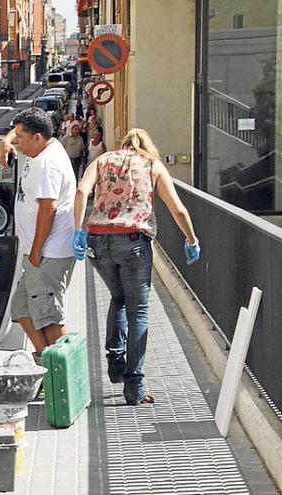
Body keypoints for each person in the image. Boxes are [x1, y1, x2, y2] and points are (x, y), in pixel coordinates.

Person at [72, 128, 200, 406]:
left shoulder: (103, 160)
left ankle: (115, 359)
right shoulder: (152, 164)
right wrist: (191, 239)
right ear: (146, 146)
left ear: (122, 144)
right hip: (132, 242)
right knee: (138, 312)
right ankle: (134, 386)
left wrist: (77, 230)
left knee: (118, 298)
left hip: (98, 239)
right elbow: (177, 209)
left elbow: (82, 190)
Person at [0, 108, 77, 365]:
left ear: (38, 137)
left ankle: (63, 375)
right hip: (39, 253)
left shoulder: (47, 163)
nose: (16, 141)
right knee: (22, 308)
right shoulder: (43, 147)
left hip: (46, 253)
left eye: (20, 137)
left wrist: (35, 251)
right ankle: (47, 367)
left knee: (49, 318)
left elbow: (48, 208)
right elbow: (23, 129)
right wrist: (5, 141)